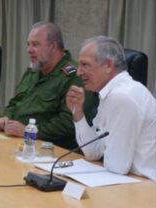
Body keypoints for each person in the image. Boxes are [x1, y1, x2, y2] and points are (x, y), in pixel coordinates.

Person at [66, 36, 156, 181]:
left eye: (85, 65)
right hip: (131, 182)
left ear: (108, 65)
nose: (78, 72)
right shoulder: (110, 93)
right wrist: (78, 112)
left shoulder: (122, 96)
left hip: (146, 187)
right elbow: (93, 152)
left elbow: (117, 167)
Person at [0, 22, 92, 149]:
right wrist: (7, 116)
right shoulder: (35, 70)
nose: (29, 50)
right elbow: (16, 101)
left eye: (35, 44)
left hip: (50, 148)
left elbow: (68, 123)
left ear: (52, 46)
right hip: (16, 140)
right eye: (28, 44)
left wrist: (30, 130)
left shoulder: (73, 76)